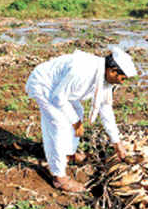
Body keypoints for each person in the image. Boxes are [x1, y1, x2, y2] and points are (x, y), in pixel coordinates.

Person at [25, 46, 137, 192]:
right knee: (58, 123)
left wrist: (116, 142)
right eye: (122, 78)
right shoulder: (83, 71)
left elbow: (105, 108)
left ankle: (68, 154)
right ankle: (59, 177)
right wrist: (75, 122)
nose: (122, 82)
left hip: (61, 90)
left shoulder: (105, 77)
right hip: (45, 85)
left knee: (78, 111)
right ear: (112, 71)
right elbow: (58, 97)